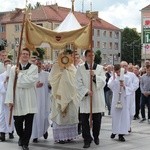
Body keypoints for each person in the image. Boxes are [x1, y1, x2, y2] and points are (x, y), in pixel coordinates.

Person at [5, 48, 38, 150]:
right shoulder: (13, 68)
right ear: (20, 56)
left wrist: (19, 75)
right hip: (17, 99)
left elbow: (30, 82)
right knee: (18, 124)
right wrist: (10, 100)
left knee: (29, 124)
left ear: (29, 56)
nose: (25, 55)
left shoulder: (33, 68)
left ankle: (25, 143)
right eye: (23, 54)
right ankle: (22, 137)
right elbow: (11, 84)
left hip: (29, 99)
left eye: (27, 54)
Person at [76, 49, 106, 148]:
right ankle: (87, 139)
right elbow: (78, 82)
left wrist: (95, 77)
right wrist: (86, 91)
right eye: (89, 55)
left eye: (92, 55)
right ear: (85, 57)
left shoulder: (100, 68)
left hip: (96, 97)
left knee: (97, 120)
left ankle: (96, 136)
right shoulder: (80, 68)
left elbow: (103, 81)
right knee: (84, 120)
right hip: (86, 98)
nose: (91, 57)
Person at [48, 49, 79, 144]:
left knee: (70, 116)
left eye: (70, 55)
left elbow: (76, 80)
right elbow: (51, 79)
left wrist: (67, 74)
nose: (69, 57)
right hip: (59, 96)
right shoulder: (56, 66)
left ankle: (69, 136)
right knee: (60, 117)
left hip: (71, 96)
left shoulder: (72, 67)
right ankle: (60, 137)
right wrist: (62, 73)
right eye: (67, 55)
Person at [108, 64, 132, 142]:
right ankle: (114, 131)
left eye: (119, 71)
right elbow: (110, 86)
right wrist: (114, 78)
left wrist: (124, 86)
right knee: (115, 116)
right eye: (116, 71)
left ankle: (121, 134)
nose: (118, 73)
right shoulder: (113, 78)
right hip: (115, 99)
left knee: (123, 117)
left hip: (123, 100)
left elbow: (131, 89)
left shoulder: (127, 78)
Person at [31, 59, 50, 142]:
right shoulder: (31, 75)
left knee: (45, 116)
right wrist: (36, 85)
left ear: (42, 65)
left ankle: (44, 130)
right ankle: (35, 135)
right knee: (35, 118)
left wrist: (50, 86)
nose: (38, 65)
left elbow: (50, 86)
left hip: (45, 100)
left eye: (39, 64)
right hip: (34, 100)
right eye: (36, 64)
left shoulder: (47, 74)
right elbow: (28, 86)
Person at [120, 61, 139, 132]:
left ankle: (128, 125)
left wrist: (127, 88)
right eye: (123, 66)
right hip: (121, 97)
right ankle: (124, 127)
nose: (125, 67)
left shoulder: (132, 75)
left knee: (131, 113)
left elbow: (136, 84)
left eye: (126, 66)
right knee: (122, 113)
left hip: (130, 97)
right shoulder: (118, 75)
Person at [0, 59, 14, 141]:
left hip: (11, 98)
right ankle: (2, 133)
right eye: (6, 64)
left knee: (11, 115)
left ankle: (11, 131)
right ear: (4, 66)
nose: (8, 65)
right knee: (2, 115)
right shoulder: (2, 75)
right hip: (3, 98)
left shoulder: (14, 75)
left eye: (9, 64)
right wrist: (5, 81)